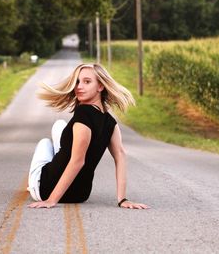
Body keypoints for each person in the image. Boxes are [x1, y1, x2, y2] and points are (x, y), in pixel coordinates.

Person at [27, 63, 149, 209]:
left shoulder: (83, 114)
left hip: (45, 188)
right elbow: (121, 156)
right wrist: (122, 199)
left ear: (100, 86)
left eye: (87, 82)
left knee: (45, 142)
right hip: (80, 194)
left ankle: (42, 174)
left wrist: (51, 200)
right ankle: (60, 153)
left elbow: (78, 161)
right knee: (59, 127)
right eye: (77, 82)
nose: (79, 86)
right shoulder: (110, 122)